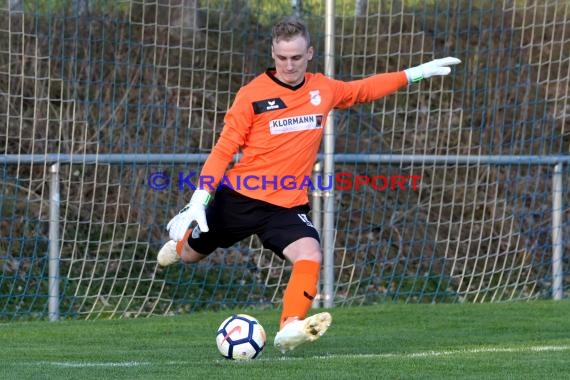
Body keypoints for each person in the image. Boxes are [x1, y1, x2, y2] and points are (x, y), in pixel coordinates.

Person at [158, 16, 460, 353]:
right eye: (282, 58)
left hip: (287, 206)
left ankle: (290, 327)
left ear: (310, 54)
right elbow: (224, 148)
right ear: (273, 54)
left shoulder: (323, 89)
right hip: (240, 198)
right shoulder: (252, 95)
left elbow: (363, 89)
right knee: (189, 256)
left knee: (310, 252)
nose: (289, 65)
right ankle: (181, 243)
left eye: (297, 58)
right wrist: (200, 198)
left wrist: (416, 73)